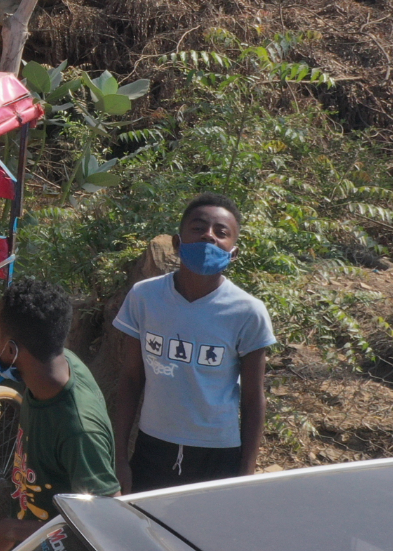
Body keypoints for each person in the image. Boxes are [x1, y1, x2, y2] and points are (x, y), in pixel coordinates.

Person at [111, 193, 275, 492]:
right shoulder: (144, 297)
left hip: (218, 453)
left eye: (221, 232)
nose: (209, 237)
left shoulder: (248, 311)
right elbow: (131, 378)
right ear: (177, 242)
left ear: (233, 253)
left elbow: (253, 398)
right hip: (152, 447)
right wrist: (120, 456)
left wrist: (246, 471)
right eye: (198, 228)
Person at [0, 278, 120, 551]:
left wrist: (13, 531)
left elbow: (107, 520)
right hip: (34, 542)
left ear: (12, 351)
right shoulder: (53, 366)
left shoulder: (79, 429)